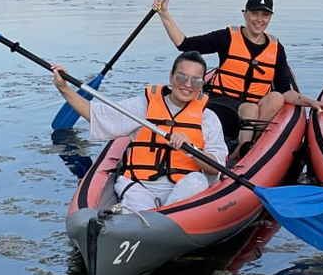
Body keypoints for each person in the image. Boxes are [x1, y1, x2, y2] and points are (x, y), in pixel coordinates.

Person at [51, 51, 228, 213]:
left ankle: (165, 221)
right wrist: (64, 88)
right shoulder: (142, 106)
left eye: (196, 80)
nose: (188, 85)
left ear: (202, 84)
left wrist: (191, 149)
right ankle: (147, 224)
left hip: (182, 189)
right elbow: (96, 114)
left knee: (198, 180)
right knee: (138, 208)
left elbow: (216, 166)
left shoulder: (208, 118)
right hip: (139, 185)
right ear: (171, 77)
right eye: (182, 77)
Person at [153, 0, 323, 154]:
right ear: (245, 14)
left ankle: (245, 147)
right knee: (250, 108)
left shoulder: (276, 48)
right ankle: (241, 150)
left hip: (255, 115)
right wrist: (164, 13)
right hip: (220, 107)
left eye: (265, 15)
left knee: (276, 97)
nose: (259, 20)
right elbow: (185, 44)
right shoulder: (227, 37)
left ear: (270, 18)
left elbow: (284, 90)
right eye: (254, 14)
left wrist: (312, 102)